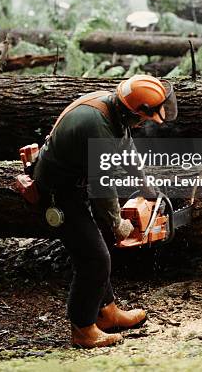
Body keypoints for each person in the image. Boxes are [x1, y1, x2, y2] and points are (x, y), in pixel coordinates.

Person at [33, 74, 178, 348]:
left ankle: (106, 313)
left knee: (96, 250)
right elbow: (103, 183)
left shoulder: (115, 111)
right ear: (135, 112)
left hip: (75, 186)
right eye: (145, 118)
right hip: (58, 195)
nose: (145, 123)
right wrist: (117, 223)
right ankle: (83, 329)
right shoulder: (97, 125)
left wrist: (145, 185)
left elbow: (126, 148)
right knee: (94, 259)